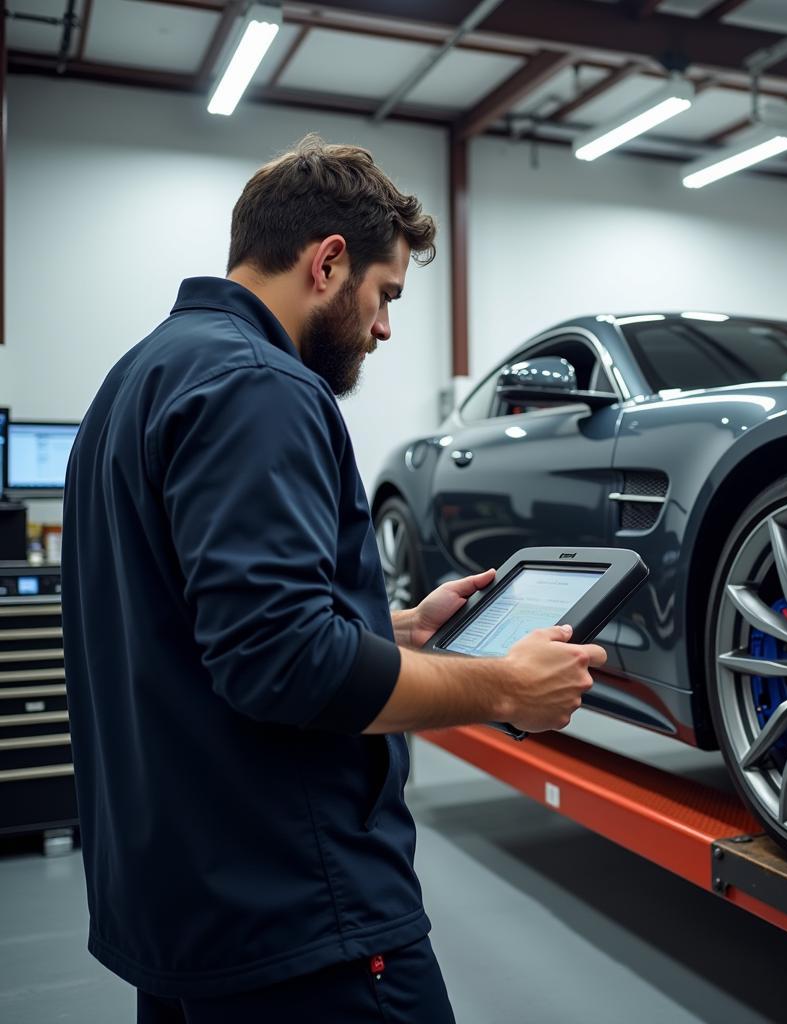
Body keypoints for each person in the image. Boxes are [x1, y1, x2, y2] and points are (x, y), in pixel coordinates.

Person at [62, 135, 606, 1023]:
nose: (386, 327)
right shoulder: (259, 386)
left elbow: (185, 622)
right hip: (297, 915)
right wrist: (501, 685)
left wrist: (389, 629)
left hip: (179, 916)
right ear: (328, 263)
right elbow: (282, 663)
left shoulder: (134, 382)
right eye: (386, 295)